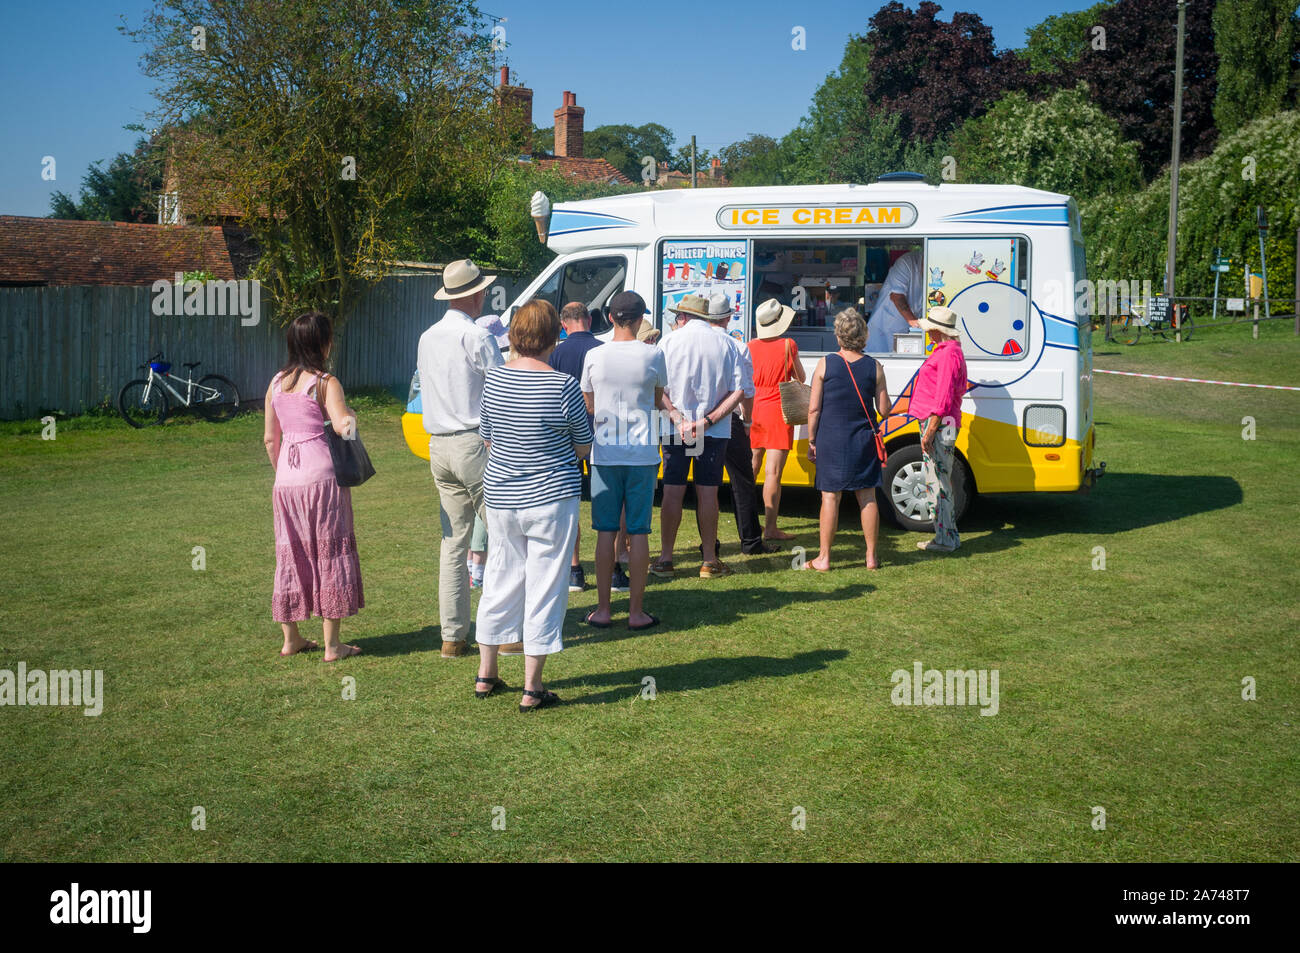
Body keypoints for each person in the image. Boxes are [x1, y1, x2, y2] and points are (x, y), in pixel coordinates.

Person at [473, 300, 593, 711]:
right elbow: (583, 444)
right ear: (554, 335)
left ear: (514, 335)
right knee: (545, 587)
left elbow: (488, 437)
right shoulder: (563, 386)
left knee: (499, 580)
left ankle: (486, 674)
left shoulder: (494, 381)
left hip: (502, 497)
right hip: (551, 498)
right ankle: (531, 687)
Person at [263, 311, 364, 661]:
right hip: (322, 479)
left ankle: (291, 639)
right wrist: (349, 415)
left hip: (286, 482)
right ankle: (333, 646)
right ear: (323, 342)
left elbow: (269, 440)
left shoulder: (275, 384)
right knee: (329, 552)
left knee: (290, 554)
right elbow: (343, 428)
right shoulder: (325, 382)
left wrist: (284, 474)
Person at [417, 259, 506, 659]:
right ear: (474, 294)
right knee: (504, 534)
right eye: (482, 290)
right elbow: (502, 392)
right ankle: (503, 632)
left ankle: (453, 635)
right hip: (473, 442)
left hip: (439, 444)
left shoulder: (427, 336)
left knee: (453, 543)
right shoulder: (475, 336)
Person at [580, 291, 670, 630]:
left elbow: (588, 404)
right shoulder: (654, 354)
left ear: (609, 317)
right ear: (640, 317)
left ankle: (603, 609)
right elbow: (657, 398)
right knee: (639, 530)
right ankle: (635, 612)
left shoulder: (593, 355)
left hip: (604, 452)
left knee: (605, 531)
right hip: (642, 453)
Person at [654, 293, 745, 579]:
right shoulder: (727, 344)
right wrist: (708, 421)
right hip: (714, 430)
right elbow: (739, 391)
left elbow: (658, 390)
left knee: (672, 491)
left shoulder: (668, 342)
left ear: (683, 316)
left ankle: (666, 558)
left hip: (675, 428)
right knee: (708, 493)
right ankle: (708, 559)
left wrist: (680, 419)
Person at [805, 308, 890, 571]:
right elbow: (884, 410)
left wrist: (811, 440)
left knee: (830, 498)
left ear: (839, 336)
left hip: (831, 438)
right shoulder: (874, 366)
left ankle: (824, 558)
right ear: (863, 335)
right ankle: (871, 557)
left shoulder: (826, 363)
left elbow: (814, 409)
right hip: (863, 439)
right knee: (867, 497)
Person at [705, 293, 774, 556]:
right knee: (742, 480)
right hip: (730, 419)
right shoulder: (736, 346)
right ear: (728, 317)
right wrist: (747, 420)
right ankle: (750, 540)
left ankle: (709, 546)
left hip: (697, 419)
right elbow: (746, 390)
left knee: (705, 485)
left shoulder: (694, 342)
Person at [549, 301, 603, 592]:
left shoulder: (557, 354)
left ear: (564, 324)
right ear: (590, 320)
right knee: (607, 502)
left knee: (571, 504)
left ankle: (575, 570)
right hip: (602, 431)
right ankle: (616, 564)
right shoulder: (602, 349)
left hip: (567, 437)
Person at [909, 305, 968, 553]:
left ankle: (946, 539)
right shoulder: (951, 351)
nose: (928, 333)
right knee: (938, 480)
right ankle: (944, 536)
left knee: (939, 482)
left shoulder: (946, 354)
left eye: (930, 329)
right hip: (942, 421)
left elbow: (942, 396)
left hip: (939, 422)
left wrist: (930, 429)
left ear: (937, 330)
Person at [747, 298, 805, 542]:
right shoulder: (788, 345)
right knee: (773, 473)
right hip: (779, 410)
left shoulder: (749, 345)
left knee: (751, 468)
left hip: (755, 409)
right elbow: (800, 377)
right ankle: (771, 528)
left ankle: (748, 523)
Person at [866, 248, 923, 353]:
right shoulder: (906, 262)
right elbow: (897, 296)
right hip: (884, 329)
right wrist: (915, 324)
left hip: (907, 335)